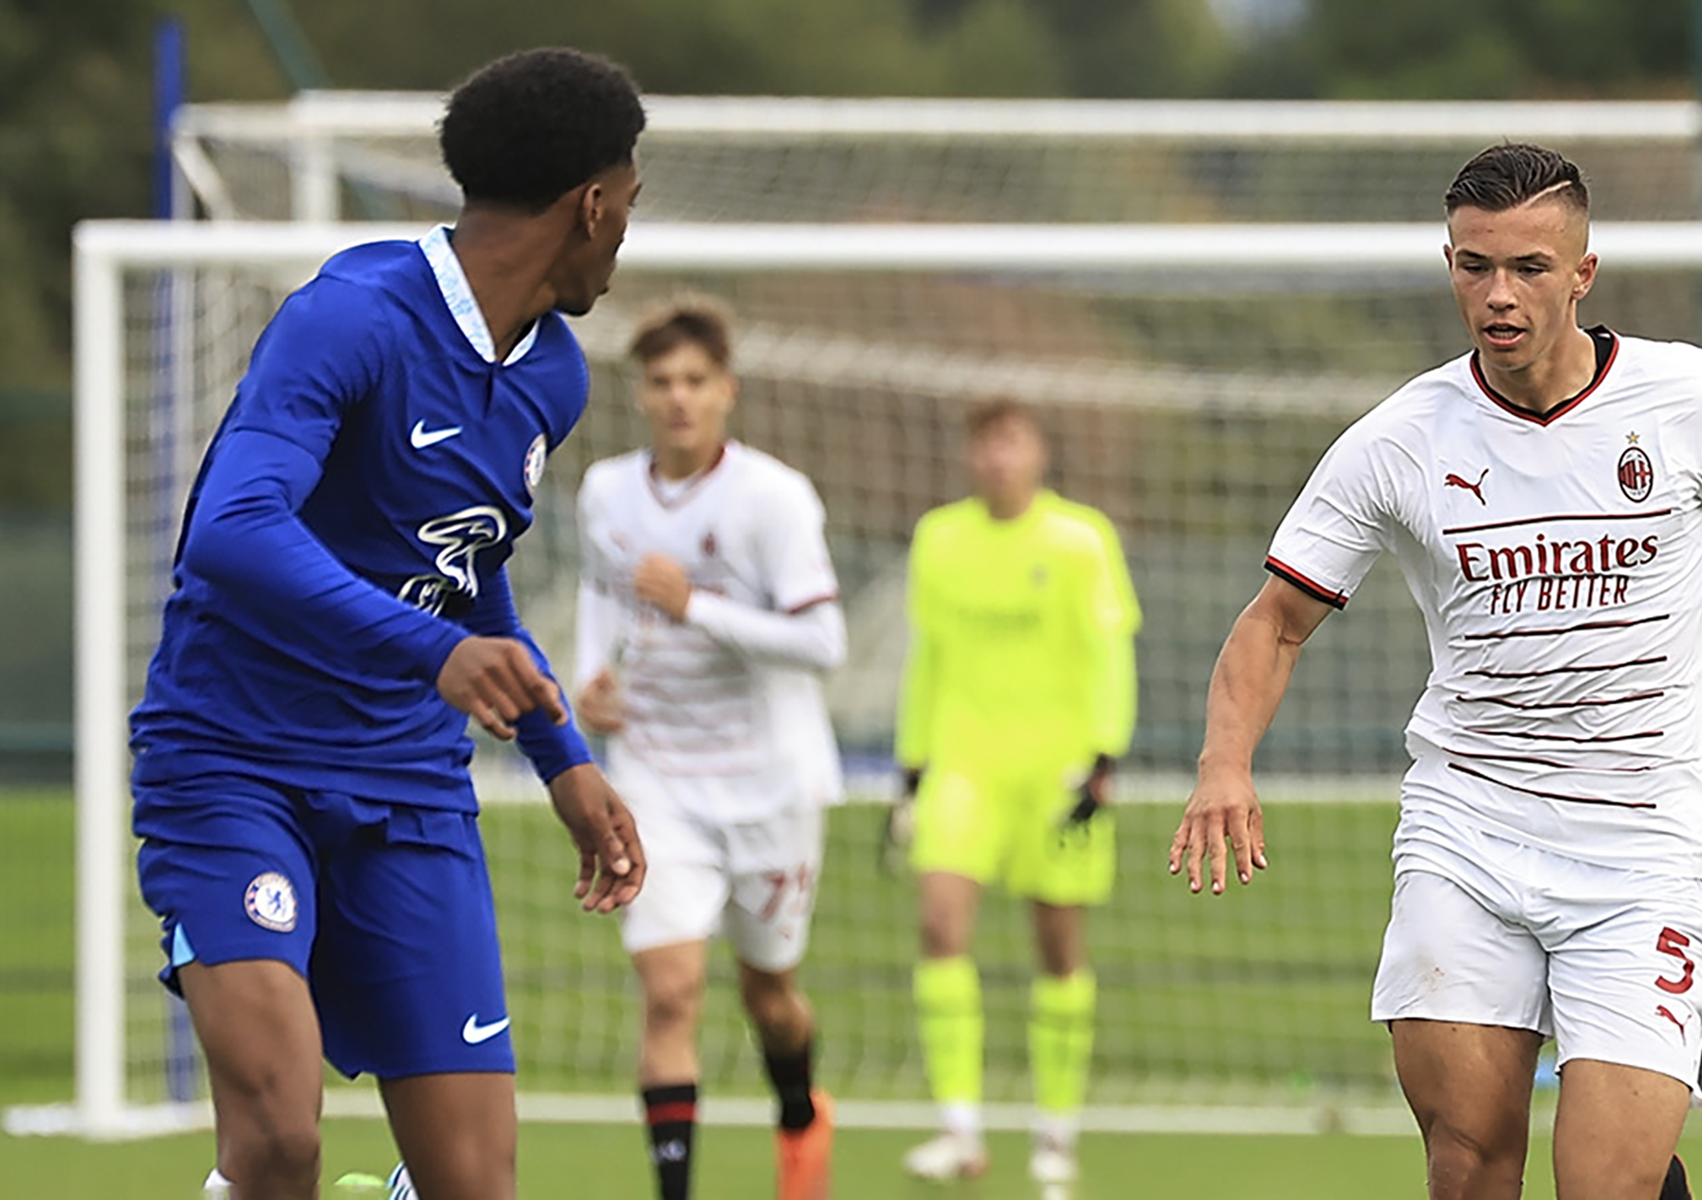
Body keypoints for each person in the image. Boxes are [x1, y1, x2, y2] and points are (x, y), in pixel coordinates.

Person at [1169, 142, 1702, 1200]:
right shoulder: (1399, 441)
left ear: (1583, 274)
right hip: (1467, 836)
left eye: (1528, 269)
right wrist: (1223, 762)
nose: (1498, 295)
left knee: (1606, 1185)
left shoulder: (1700, 401)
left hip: (1643, 844)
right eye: (1473, 268)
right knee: (1465, 1167)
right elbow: (1273, 623)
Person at [132, 48, 650, 1200]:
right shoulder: (352, 316)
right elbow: (229, 527)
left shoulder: (550, 375)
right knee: (278, 1142)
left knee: (473, 1186)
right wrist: (437, 653)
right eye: (630, 204)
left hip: (408, 789)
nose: (624, 239)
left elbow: (469, 564)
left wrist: (562, 756)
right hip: (234, 766)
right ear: (594, 203)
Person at [571, 298, 844, 1200]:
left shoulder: (773, 498)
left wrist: (699, 607)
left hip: (772, 785)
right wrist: (589, 681)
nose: (679, 398)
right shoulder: (606, 491)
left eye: (696, 381)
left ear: (726, 390)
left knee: (769, 996)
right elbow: (601, 600)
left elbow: (822, 644)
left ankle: (800, 1115)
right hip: (658, 780)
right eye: (661, 382)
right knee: (671, 991)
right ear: (641, 393)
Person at [889, 399, 1140, 1186]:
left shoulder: (1080, 540)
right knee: (939, 923)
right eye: (986, 445)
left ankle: (1056, 1132)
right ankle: (959, 1128)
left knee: (1058, 948)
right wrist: (911, 769)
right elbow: (926, 657)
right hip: (964, 765)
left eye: (1013, 443)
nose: (999, 459)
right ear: (970, 457)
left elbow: (1109, 653)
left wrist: (1104, 756)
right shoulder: (940, 539)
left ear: (1037, 453)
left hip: (1058, 773)